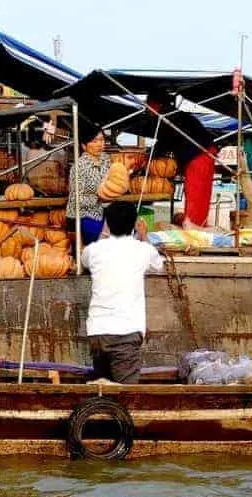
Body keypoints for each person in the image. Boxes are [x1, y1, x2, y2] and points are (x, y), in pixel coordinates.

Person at [80, 202, 165, 384]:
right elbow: (159, 265)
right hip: (125, 333)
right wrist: (143, 236)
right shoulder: (143, 250)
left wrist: (104, 234)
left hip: (97, 333)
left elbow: (84, 260)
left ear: (107, 224)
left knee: (103, 392)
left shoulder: (94, 250)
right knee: (125, 396)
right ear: (134, 223)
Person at [146, 88, 217, 229]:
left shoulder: (168, 117)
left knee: (195, 194)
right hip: (205, 152)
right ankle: (197, 225)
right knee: (200, 194)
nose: (147, 109)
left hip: (199, 155)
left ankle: (193, 229)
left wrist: (148, 157)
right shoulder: (175, 114)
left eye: (148, 105)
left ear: (155, 104)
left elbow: (163, 142)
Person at [65, 118, 111, 246]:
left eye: (102, 140)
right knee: (101, 238)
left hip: (106, 212)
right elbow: (76, 199)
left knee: (126, 231)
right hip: (85, 216)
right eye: (94, 141)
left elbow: (113, 183)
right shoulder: (79, 166)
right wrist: (100, 198)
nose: (100, 144)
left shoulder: (107, 160)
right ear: (84, 145)